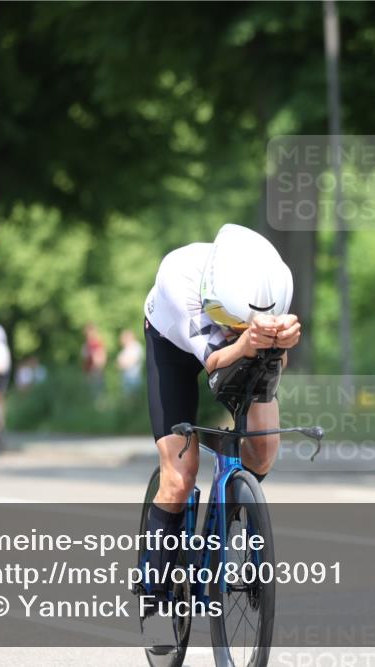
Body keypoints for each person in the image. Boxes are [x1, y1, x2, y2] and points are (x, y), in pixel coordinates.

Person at [140, 223, 300, 644]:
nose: (233, 328)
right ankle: (155, 596)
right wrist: (245, 341)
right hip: (172, 344)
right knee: (179, 476)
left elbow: (269, 362)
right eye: (229, 322)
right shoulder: (178, 280)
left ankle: (231, 511)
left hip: (242, 346)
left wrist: (277, 343)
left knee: (263, 450)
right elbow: (214, 361)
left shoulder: (273, 282)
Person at [81, 322, 107, 395]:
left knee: (97, 392)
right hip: (88, 371)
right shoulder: (87, 344)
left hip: (95, 371)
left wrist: (97, 369)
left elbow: (101, 358)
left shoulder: (97, 343)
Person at [116, 329, 144, 394]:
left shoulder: (135, 347)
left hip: (134, 377)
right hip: (126, 377)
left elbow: (132, 360)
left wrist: (123, 364)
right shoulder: (126, 348)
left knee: (133, 396)